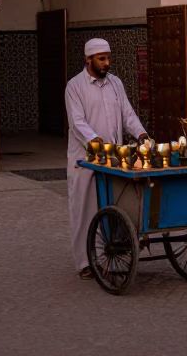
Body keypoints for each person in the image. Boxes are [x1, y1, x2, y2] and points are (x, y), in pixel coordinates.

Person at [65, 38, 149, 280]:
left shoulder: (115, 84)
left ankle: (111, 258)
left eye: (108, 58)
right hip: (85, 159)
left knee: (114, 206)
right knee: (86, 209)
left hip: (114, 158)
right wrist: (96, 143)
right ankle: (85, 262)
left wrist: (141, 133)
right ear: (88, 59)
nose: (106, 63)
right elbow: (77, 122)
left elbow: (127, 114)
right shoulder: (74, 86)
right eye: (101, 59)